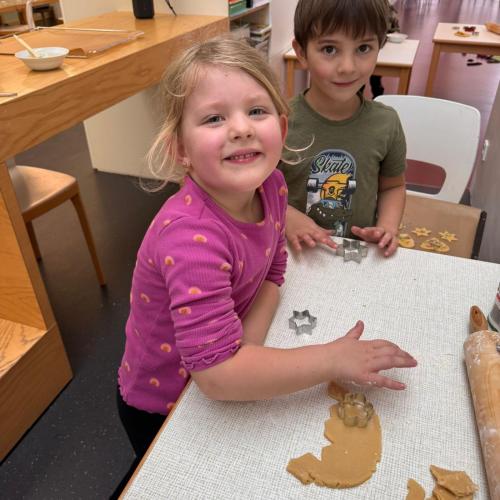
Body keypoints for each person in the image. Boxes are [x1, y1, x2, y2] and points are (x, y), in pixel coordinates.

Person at [113, 36, 416, 497]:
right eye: (214, 118)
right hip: (165, 404)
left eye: (256, 111)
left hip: (215, 373)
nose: (241, 129)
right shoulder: (189, 238)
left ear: (282, 125)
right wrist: (332, 359)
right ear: (180, 149)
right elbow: (216, 378)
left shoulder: (272, 186)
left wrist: (244, 350)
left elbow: (273, 269)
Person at [280, 0, 407, 257]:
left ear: (380, 46)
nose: (348, 67)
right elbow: (254, 192)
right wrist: (285, 215)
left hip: (354, 253)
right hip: (295, 253)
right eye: (329, 49)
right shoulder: (278, 122)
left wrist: (387, 227)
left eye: (363, 48)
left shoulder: (386, 123)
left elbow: (392, 187)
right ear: (301, 52)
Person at [370, 0, 401, 97]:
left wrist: (393, 34)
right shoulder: (363, 9)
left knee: (375, 79)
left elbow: (396, 29)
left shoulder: (390, 11)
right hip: (366, 50)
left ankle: (377, 96)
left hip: (382, 51)